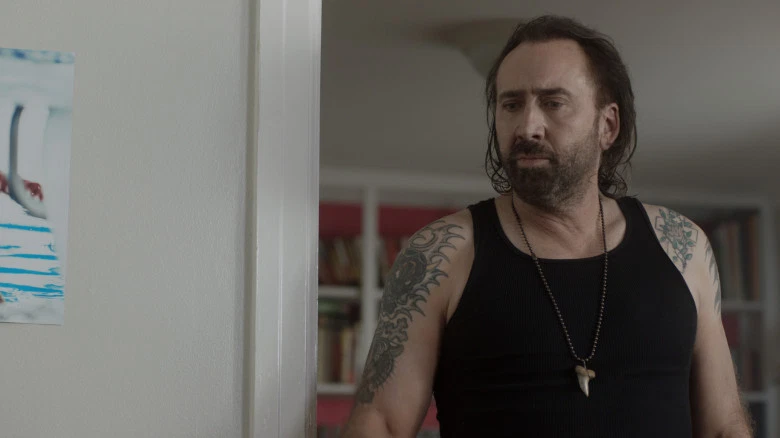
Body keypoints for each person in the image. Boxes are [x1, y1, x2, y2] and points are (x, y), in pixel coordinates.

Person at [339, 14, 753, 438]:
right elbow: (380, 423)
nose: (527, 127)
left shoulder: (682, 247)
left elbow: (725, 426)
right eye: (511, 105)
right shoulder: (441, 255)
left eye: (553, 103)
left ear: (608, 125)